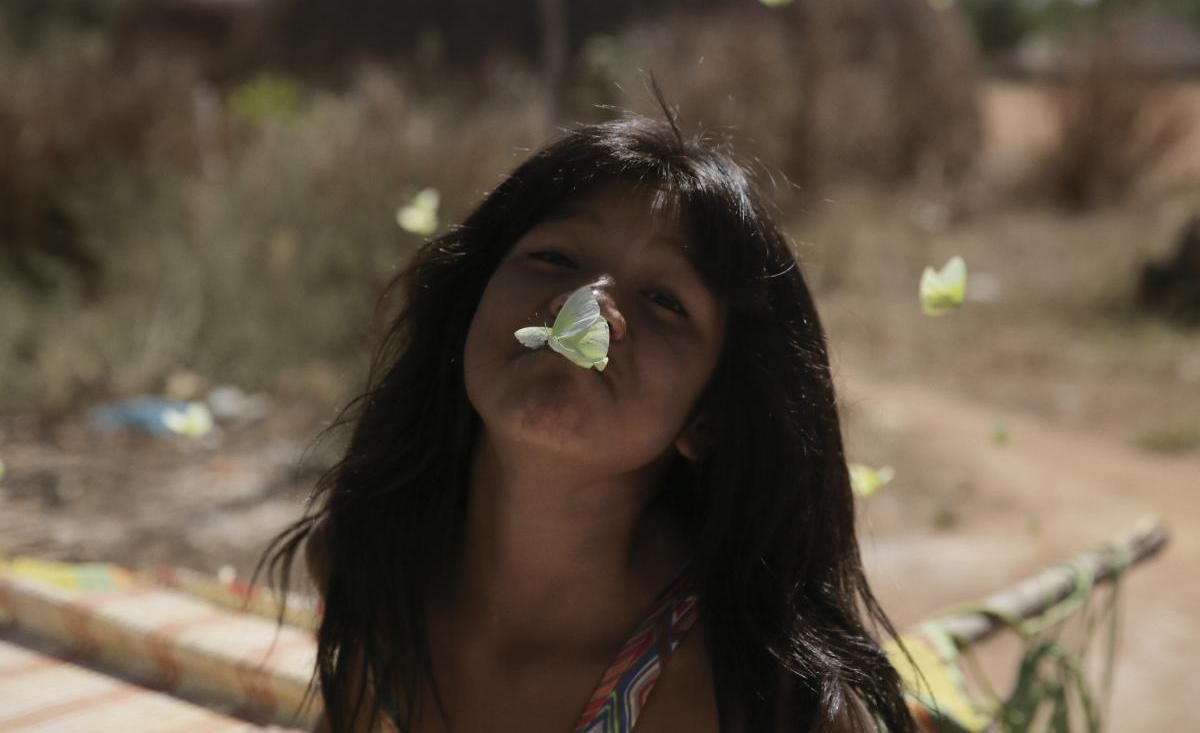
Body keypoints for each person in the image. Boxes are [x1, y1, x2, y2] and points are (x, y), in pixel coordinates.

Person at [257, 112, 917, 733]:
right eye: (555, 258)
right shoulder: (363, 566)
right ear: (469, 314)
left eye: (663, 300)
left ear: (707, 420)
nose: (587, 303)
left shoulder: (759, 698)